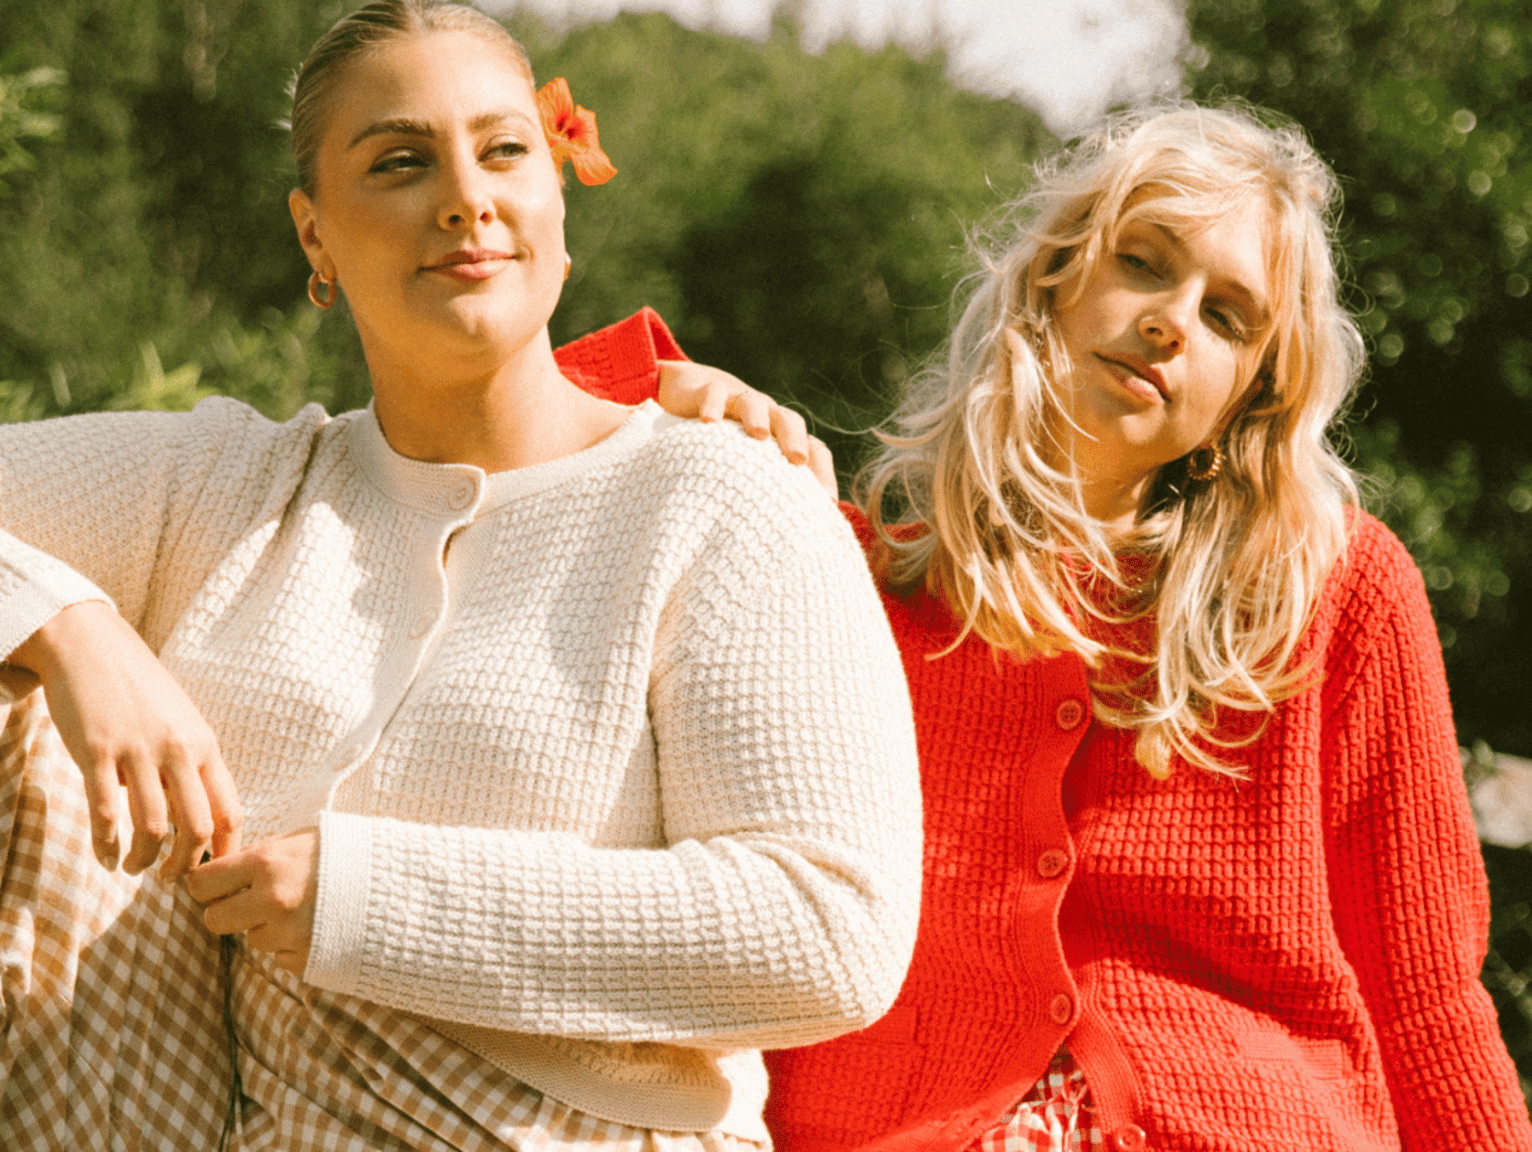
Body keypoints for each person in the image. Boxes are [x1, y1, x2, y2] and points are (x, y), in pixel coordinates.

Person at [0, 2, 922, 1148]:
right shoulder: (224, 484)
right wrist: (69, 627)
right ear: (314, 238)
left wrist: (364, 901)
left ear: (554, 200)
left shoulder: (724, 499)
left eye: (501, 150)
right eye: (398, 161)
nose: (464, 197)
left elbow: (831, 934)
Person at [627, 103, 1532, 1150]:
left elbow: (1422, 994)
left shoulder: (1335, 594)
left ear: (1252, 392)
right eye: (1144, 264)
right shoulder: (849, 577)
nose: (1170, 321)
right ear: (1055, 274)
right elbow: (502, 406)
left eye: (1228, 318)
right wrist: (676, 412)